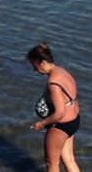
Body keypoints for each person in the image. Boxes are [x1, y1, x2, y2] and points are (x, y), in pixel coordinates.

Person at [28, 43, 81, 172]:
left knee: (51, 164)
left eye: (35, 66)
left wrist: (41, 123)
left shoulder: (53, 82)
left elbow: (60, 113)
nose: (35, 70)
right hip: (74, 120)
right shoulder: (63, 71)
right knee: (69, 159)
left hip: (61, 125)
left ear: (43, 62)